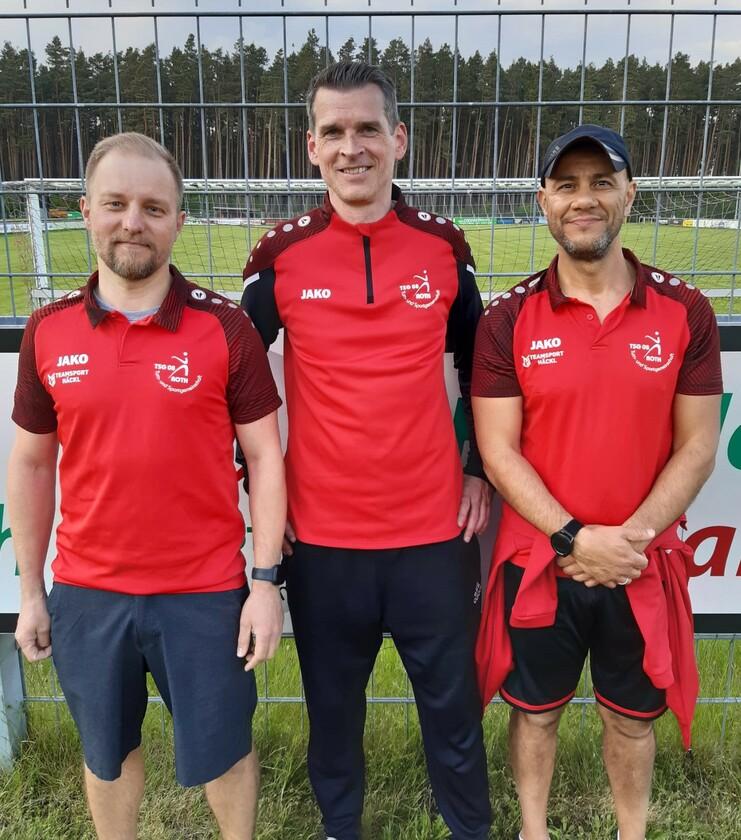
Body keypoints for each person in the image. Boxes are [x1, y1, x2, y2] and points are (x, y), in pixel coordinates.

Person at [10, 132, 286, 840]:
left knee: (225, 751)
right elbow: (33, 464)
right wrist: (33, 590)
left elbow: (265, 458)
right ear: (85, 212)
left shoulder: (225, 328)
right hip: (88, 592)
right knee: (106, 756)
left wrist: (263, 585)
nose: (133, 222)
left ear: (178, 222)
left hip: (205, 594)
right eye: (116, 204)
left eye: (153, 208)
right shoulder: (47, 331)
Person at [240, 61, 492, 840]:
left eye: (368, 129)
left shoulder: (444, 250)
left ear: (398, 138)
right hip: (322, 541)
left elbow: (485, 373)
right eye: (335, 132)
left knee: (453, 712)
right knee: (333, 715)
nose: (352, 147)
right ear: (311, 146)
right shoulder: (279, 259)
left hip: (433, 535)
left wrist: (478, 468)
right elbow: (231, 388)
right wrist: (261, 502)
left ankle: (469, 830)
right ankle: (339, 828)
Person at [471, 124, 722, 840]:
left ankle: (630, 832)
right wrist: (574, 538)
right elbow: (498, 449)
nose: (583, 200)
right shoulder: (507, 317)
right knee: (535, 713)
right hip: (540, 561)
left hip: (638, 562)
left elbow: (698, 445)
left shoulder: (685, 310)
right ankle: (533, 830)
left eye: (601, 183)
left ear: (629, 195)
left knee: (631, 718)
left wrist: (625, 543)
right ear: (543, 201)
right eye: (566, 185)